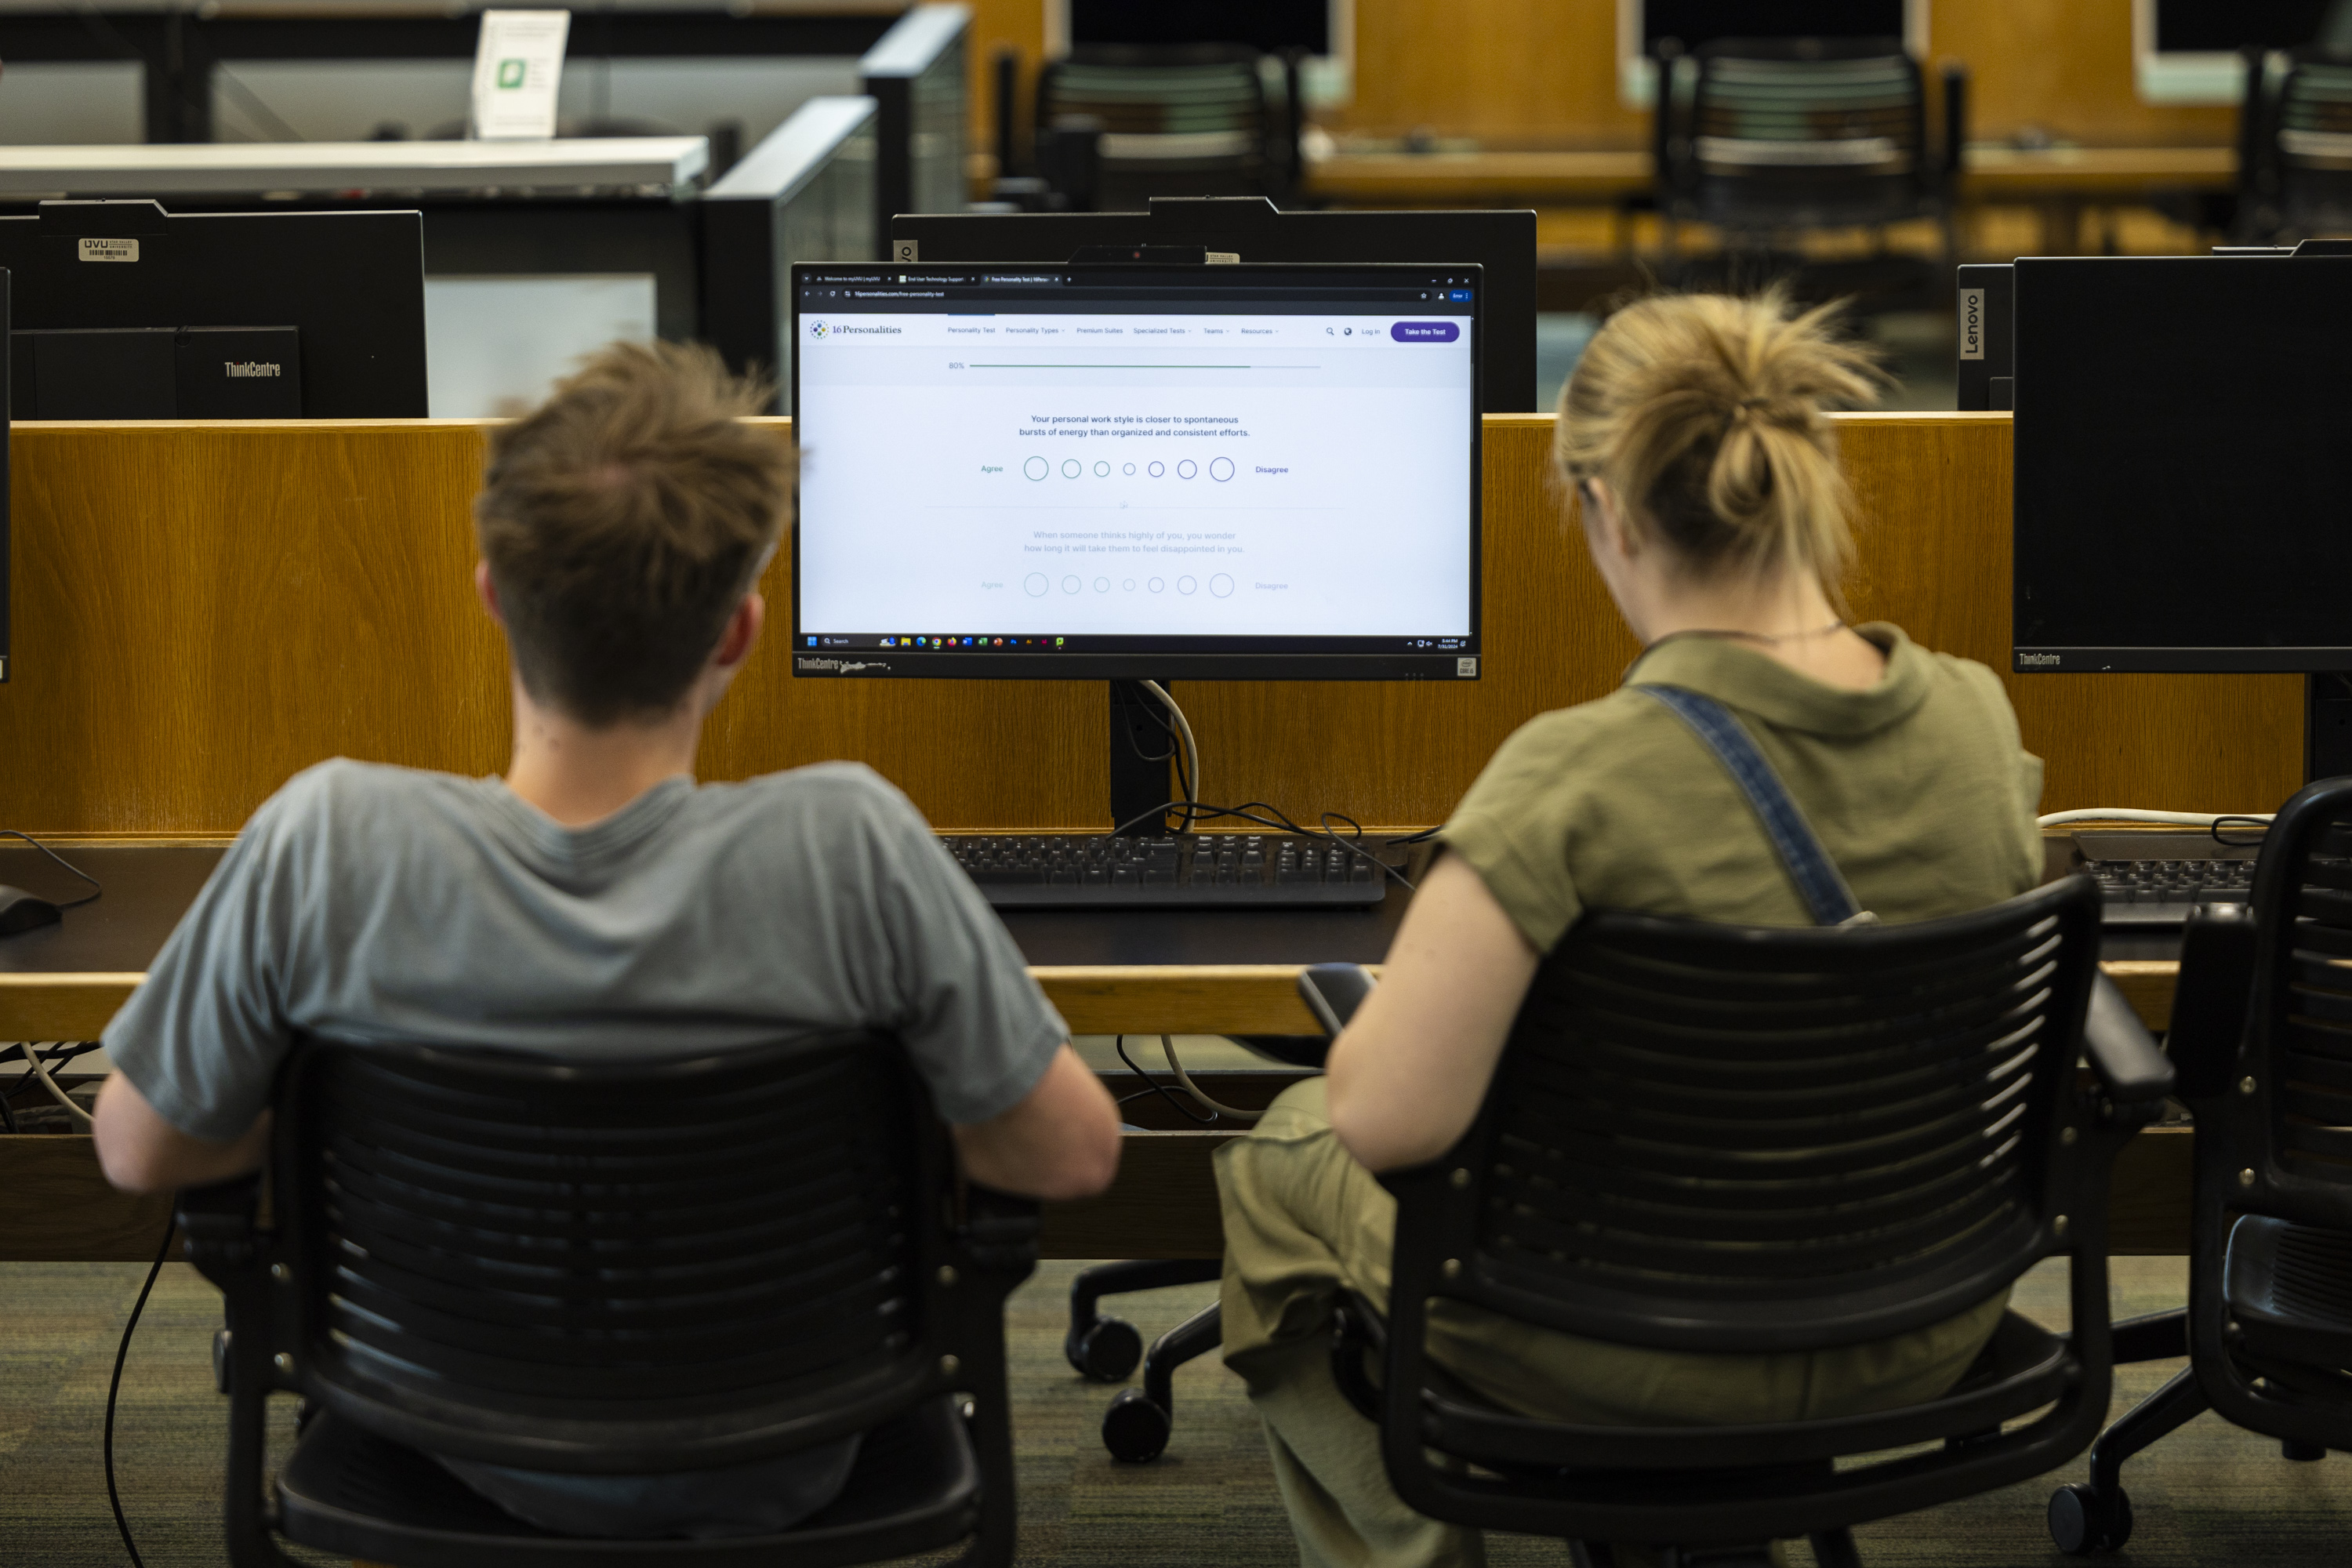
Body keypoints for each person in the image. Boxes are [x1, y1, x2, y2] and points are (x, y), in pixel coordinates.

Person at [90, 340, 1122, 1540]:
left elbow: (140, 1151)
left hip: (435, 1434)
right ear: (737, 631)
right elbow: (1069, 1159)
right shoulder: (854, 845)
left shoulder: (327, 840)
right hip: (797, 1453)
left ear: (491, 592)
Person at [1213, 292, 2047, 1568]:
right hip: (1915, 1322)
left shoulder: (1576, 778)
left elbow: (1392, 1127)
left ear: (1604, 507)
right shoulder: (1978, 724)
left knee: (1285, 1151)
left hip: (1618, 1346)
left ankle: (1419, 1538)